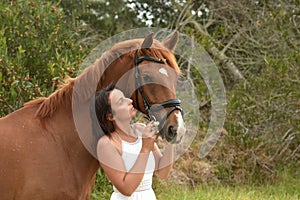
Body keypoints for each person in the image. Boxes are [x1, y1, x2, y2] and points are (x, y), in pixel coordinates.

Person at [95, 84, 174, 200]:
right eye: (121, 101)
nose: (130, 101)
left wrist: (171, 141)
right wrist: (145, 148)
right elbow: (126, 189)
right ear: (110, 116)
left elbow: (162, 173)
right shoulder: (106, 144)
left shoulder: (141, 130)